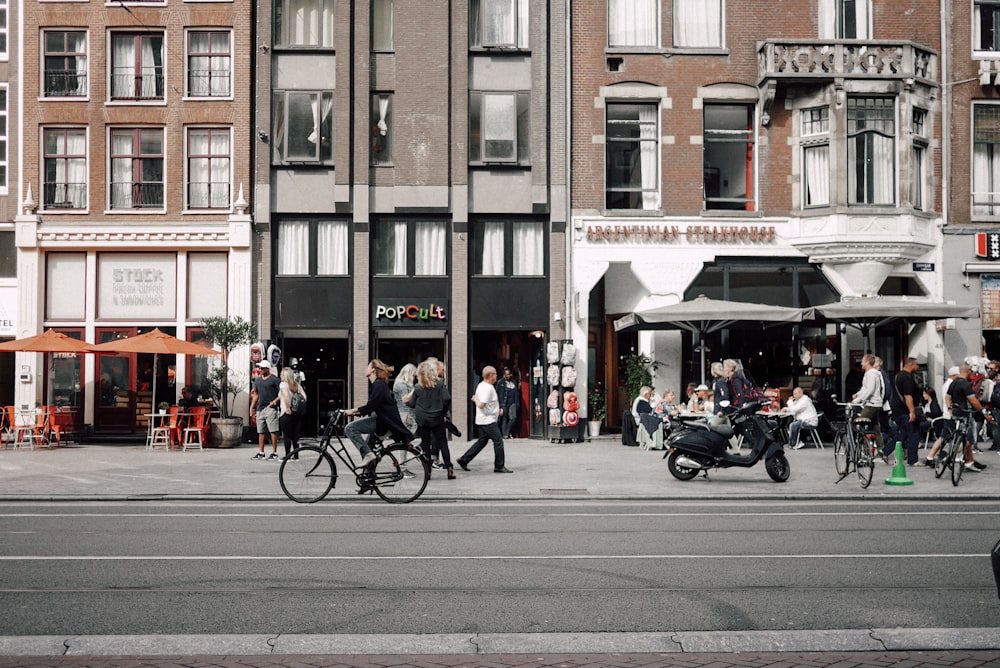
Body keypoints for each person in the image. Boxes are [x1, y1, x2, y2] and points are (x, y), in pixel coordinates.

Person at [345, 359, 414, 467]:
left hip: (383, 423)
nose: (365, 369)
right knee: (370, 447)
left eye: (368, 367)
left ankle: (368, 456)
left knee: (350, 428)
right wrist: (355, 412)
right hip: (382, 421)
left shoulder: (378, 385)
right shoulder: (378, 385)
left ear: (373, 370)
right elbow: (374, 406)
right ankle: (369, 478)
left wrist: (352, 411)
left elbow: (371, 405)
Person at [926, 363, 991, 473]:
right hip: (965, 414)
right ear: (968, 371)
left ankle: (967, 461)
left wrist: (950, 408)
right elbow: (973, 400)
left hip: (955, 415)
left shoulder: (953, 383)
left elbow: (947, 398)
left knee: (955, 437)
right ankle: (955, 457)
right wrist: (985, 413)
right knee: (969, 440)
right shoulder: (965, 384)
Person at [457, 365, 512, 473]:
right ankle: (499, 466)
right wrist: (476, 400)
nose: (497, 376)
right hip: (488, 420)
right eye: (495, 374)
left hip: (483, 419)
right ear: (490, 375)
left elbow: (485, 403)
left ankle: (464, 459)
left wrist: (497, 410)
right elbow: (482, 405)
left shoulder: (481, 385)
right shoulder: (488, 388)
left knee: (482, 441)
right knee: (498, 441)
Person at [406, 358, 455, 479]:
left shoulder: (418, 387)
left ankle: (428, 471)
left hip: (423, 420)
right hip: (437, 418)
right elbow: (447, 398)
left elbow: (411, 404)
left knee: (426, 445)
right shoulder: (439, 384)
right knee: (443, 443)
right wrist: (443, 412)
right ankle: (449, 469)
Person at [888, 356, 922, 466]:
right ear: (911, 364)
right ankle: (913, 459)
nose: (918, 367)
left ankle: (885, 451)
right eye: (917, 364)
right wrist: (912, 411)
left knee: (903, 432)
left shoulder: (898, 376)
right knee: (914, 433)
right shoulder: (907, 378)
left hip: (897, 409)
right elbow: (908, 396)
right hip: (905, 410)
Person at [851, 353, 885, 454]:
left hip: (872, 404)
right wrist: (858, 394)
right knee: (875, 427)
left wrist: (857, 401)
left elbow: (870, 390)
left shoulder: (871, 374)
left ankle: (865, 452)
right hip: (876, 404)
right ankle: (882, 451)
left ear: (867, 362)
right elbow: (865, 388)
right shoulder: (873, 374)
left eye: (862, 361)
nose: (861, 363)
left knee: (858, 425)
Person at [250, 360, 281, 461]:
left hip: (271, 408)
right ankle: (261, 452)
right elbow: (256, 394)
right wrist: (252, 407)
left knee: (273, 430)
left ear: (268, 369)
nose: (260, 370)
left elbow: (282, 393)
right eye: (260, 368)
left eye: (262, 368)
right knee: (261, 431)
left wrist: (275, 402)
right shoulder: (258, 381)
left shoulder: (275, 380)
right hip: (261, 408)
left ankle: (275, 452)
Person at [278, 367, 306, 461]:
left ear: (285, 376)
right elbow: (304, 397)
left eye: (281, 374)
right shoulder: (296, 385)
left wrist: (287, 407)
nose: (280, 375)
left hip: (286, 412)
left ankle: (287, 455)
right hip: (297, 413)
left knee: (287, 435)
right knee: (295, 435)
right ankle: (296, 455)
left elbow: (285, 396)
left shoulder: (283, 385)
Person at [393, 363, 418, 434]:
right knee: (409, 435)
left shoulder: (401, 383)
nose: (414, 378)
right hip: (406, 414)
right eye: (413, 375)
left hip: (407, 413)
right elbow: (405, 399)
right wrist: (415, 389)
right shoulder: (401, 384)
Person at [496, 367, 521, 438]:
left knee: (513, 417)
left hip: (513, 403)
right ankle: (505, 434)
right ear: (504, 375)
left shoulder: (514, 382)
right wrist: (499, 406)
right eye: (507, 374)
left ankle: (507, 431)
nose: (508, 376)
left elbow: (517, 393)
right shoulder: (500, 383)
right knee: (504, 418)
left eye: (509, 374)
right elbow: (497, 394)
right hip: (503, 403)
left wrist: (517, 403)